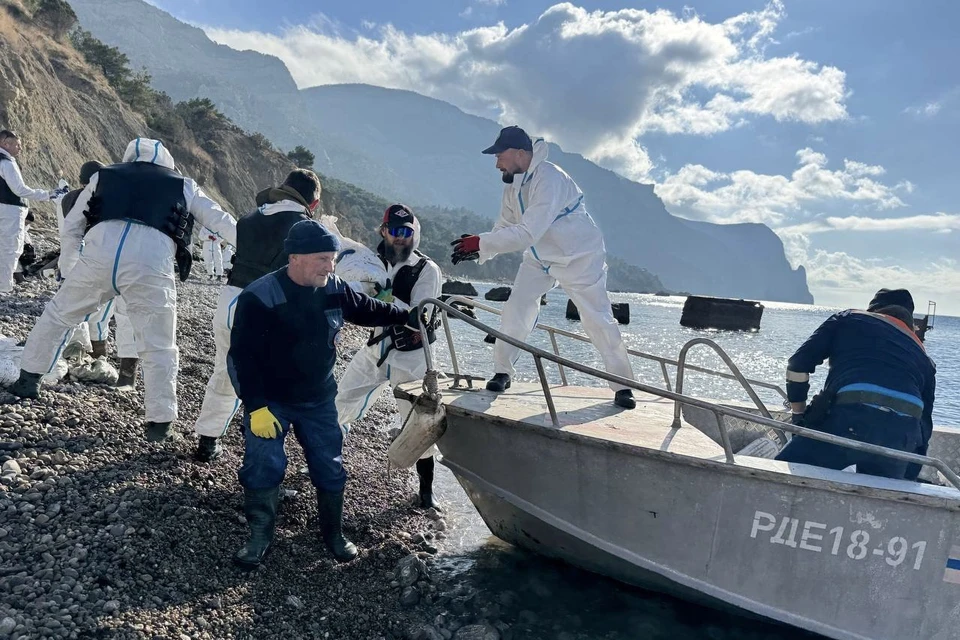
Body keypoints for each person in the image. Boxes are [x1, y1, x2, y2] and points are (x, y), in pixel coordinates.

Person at [7, 138, 237, 443]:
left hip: (100, 255)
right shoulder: (183, 184)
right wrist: (257, 248)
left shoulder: (105, 175)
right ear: (166, 160)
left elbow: (74, 222)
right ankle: (160, 421)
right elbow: (220, 220)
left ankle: (28, 379)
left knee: (59, 315)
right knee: (158, 344)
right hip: (150, 264)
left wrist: (71, 262)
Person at [227, 219, 417, 569]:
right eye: (322, 259)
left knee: (329, 466)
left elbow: (365, 308)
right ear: (295, 257)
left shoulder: (335, 287)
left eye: (332, 258)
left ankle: (332, 532)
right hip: (271, 399)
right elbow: (241, 357)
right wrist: (255, 407)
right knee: (263, 464)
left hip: (318, 399)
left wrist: (406, 315)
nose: (330, 266)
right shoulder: (260, 296)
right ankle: (260, 534)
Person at [451, 125, 637, 409]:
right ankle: (503, 372)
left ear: (519, 153)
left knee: (598, 319)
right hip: (539, 259)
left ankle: (624, 386)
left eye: (500, 154)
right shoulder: (512, 185)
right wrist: (479, 251)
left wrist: (482, 243)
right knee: (516, 309)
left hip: (580, 257)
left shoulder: (550, 178)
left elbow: (528, 232)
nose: (496, 161)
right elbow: (505, 226)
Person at [192, 169, 321, 463]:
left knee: (225, 373)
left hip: (229, 303)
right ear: (312, 204)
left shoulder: (250, 218)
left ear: (283, 188)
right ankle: (263, 462)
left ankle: (208, 441)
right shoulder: (304, 229)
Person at [336, 204, 443, 509]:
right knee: (340, 402)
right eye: (394, 231)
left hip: (412, 357)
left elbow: (421, 315)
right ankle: (326, 461)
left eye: (406, 232)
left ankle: (426, 492)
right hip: (375, 348)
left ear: (414, 234)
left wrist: (384, 297)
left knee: (417, 422)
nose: (400, 238)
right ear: (383, 231)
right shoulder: (368, 263)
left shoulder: (427, 270)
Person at [775, 288, 936, 481]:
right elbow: (924, 427)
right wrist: (907, 477)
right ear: (910, 321)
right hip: (902, 436)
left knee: (778, 475)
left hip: (849, 419)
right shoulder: (924, 356)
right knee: (877, 499)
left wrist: (799, 416)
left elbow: (797, 366)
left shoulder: (849, 318)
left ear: (873, 310)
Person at [57, 160, 138, 376]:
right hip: (98, 257)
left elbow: (68, 230)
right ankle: (98, 351)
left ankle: (68, 346)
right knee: (103, 310)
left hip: (74, 257)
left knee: (73, 306)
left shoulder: (68, 198)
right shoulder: (102, 198)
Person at [0, 130, 62, 293]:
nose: (20, 148)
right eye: (17, 144)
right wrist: (48, 194)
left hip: (4, 209)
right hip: (10, 211)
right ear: (5, 143)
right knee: (11, 248)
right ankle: (4, 286)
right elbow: (19, 189)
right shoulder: (6, 162)